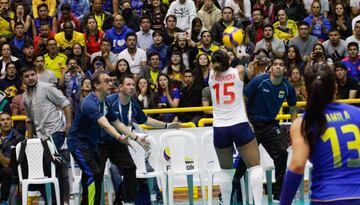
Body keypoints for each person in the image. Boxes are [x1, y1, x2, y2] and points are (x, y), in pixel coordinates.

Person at [280, 63, 360, 205]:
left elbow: (298, 164)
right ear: (335, 87)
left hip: (327, 197)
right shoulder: (357, 114)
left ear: (306, 91)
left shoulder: (303, 123)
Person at [67, 71, 147, 205]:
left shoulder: (105, 103)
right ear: (96, 85)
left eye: (110, 80)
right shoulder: (89, 103)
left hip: (92, 144)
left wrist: (135, 137)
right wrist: (119, 137)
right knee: (93, 173)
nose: (110, 84)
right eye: (106, 81)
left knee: (103, 174)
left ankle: (124, 201)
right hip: (78, 144)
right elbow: (104, 124)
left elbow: (116, 122)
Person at [99, 74, 179, 204]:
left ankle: (148, 199)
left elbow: (146, 120)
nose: (132, 87)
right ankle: (121, 199)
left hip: (128, 143)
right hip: (109, 144)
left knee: (144, 168)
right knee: (114, 169)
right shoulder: (109, 101)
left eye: (133, 85)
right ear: (120, 87)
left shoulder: (133, 103)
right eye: (128, 85)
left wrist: (167, 125)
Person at [208, 50, 263, 205]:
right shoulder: (238, 71)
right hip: (239, 124)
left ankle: (225, 202)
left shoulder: (212, 75)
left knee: (225, 171)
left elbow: (219, 64)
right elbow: (245, 68)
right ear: (228, 60)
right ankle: (258, 203)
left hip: (220, 128)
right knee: (255, 167)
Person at [239, 57, 297, 202]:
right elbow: (243, 98)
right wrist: (246, 121)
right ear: (270, 68)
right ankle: (229, 192)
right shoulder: (259, 80)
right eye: (275, 65)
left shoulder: (287, 87)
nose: (278, 67)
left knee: (282, 154)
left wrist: (294, 132)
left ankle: (279, 193)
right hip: (252, 123)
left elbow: (293, 110)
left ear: (284, 69)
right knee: (243, 160)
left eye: (281, 65)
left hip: (270, 125)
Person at [21, 66, 72, 204]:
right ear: (23, 79)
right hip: (40, 138)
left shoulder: (47, 87)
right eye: (27, 76)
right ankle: (50, 199)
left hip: (55, 132)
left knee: (50, 165)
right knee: (41, 168)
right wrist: (29, 140)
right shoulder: (25, 96)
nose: (31, 78)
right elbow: (30, 120)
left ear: (36, 75)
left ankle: (60, 201)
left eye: (33, 74)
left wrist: (68, 125)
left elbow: (65, 104)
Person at [0, 112, 24, 205]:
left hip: (11, 172)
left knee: (6, 171)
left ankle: (4, 201)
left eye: (8, 119)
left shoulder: (18, 138)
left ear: (11, 122)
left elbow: (8, 164)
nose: (5, 122)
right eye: (2, 120)